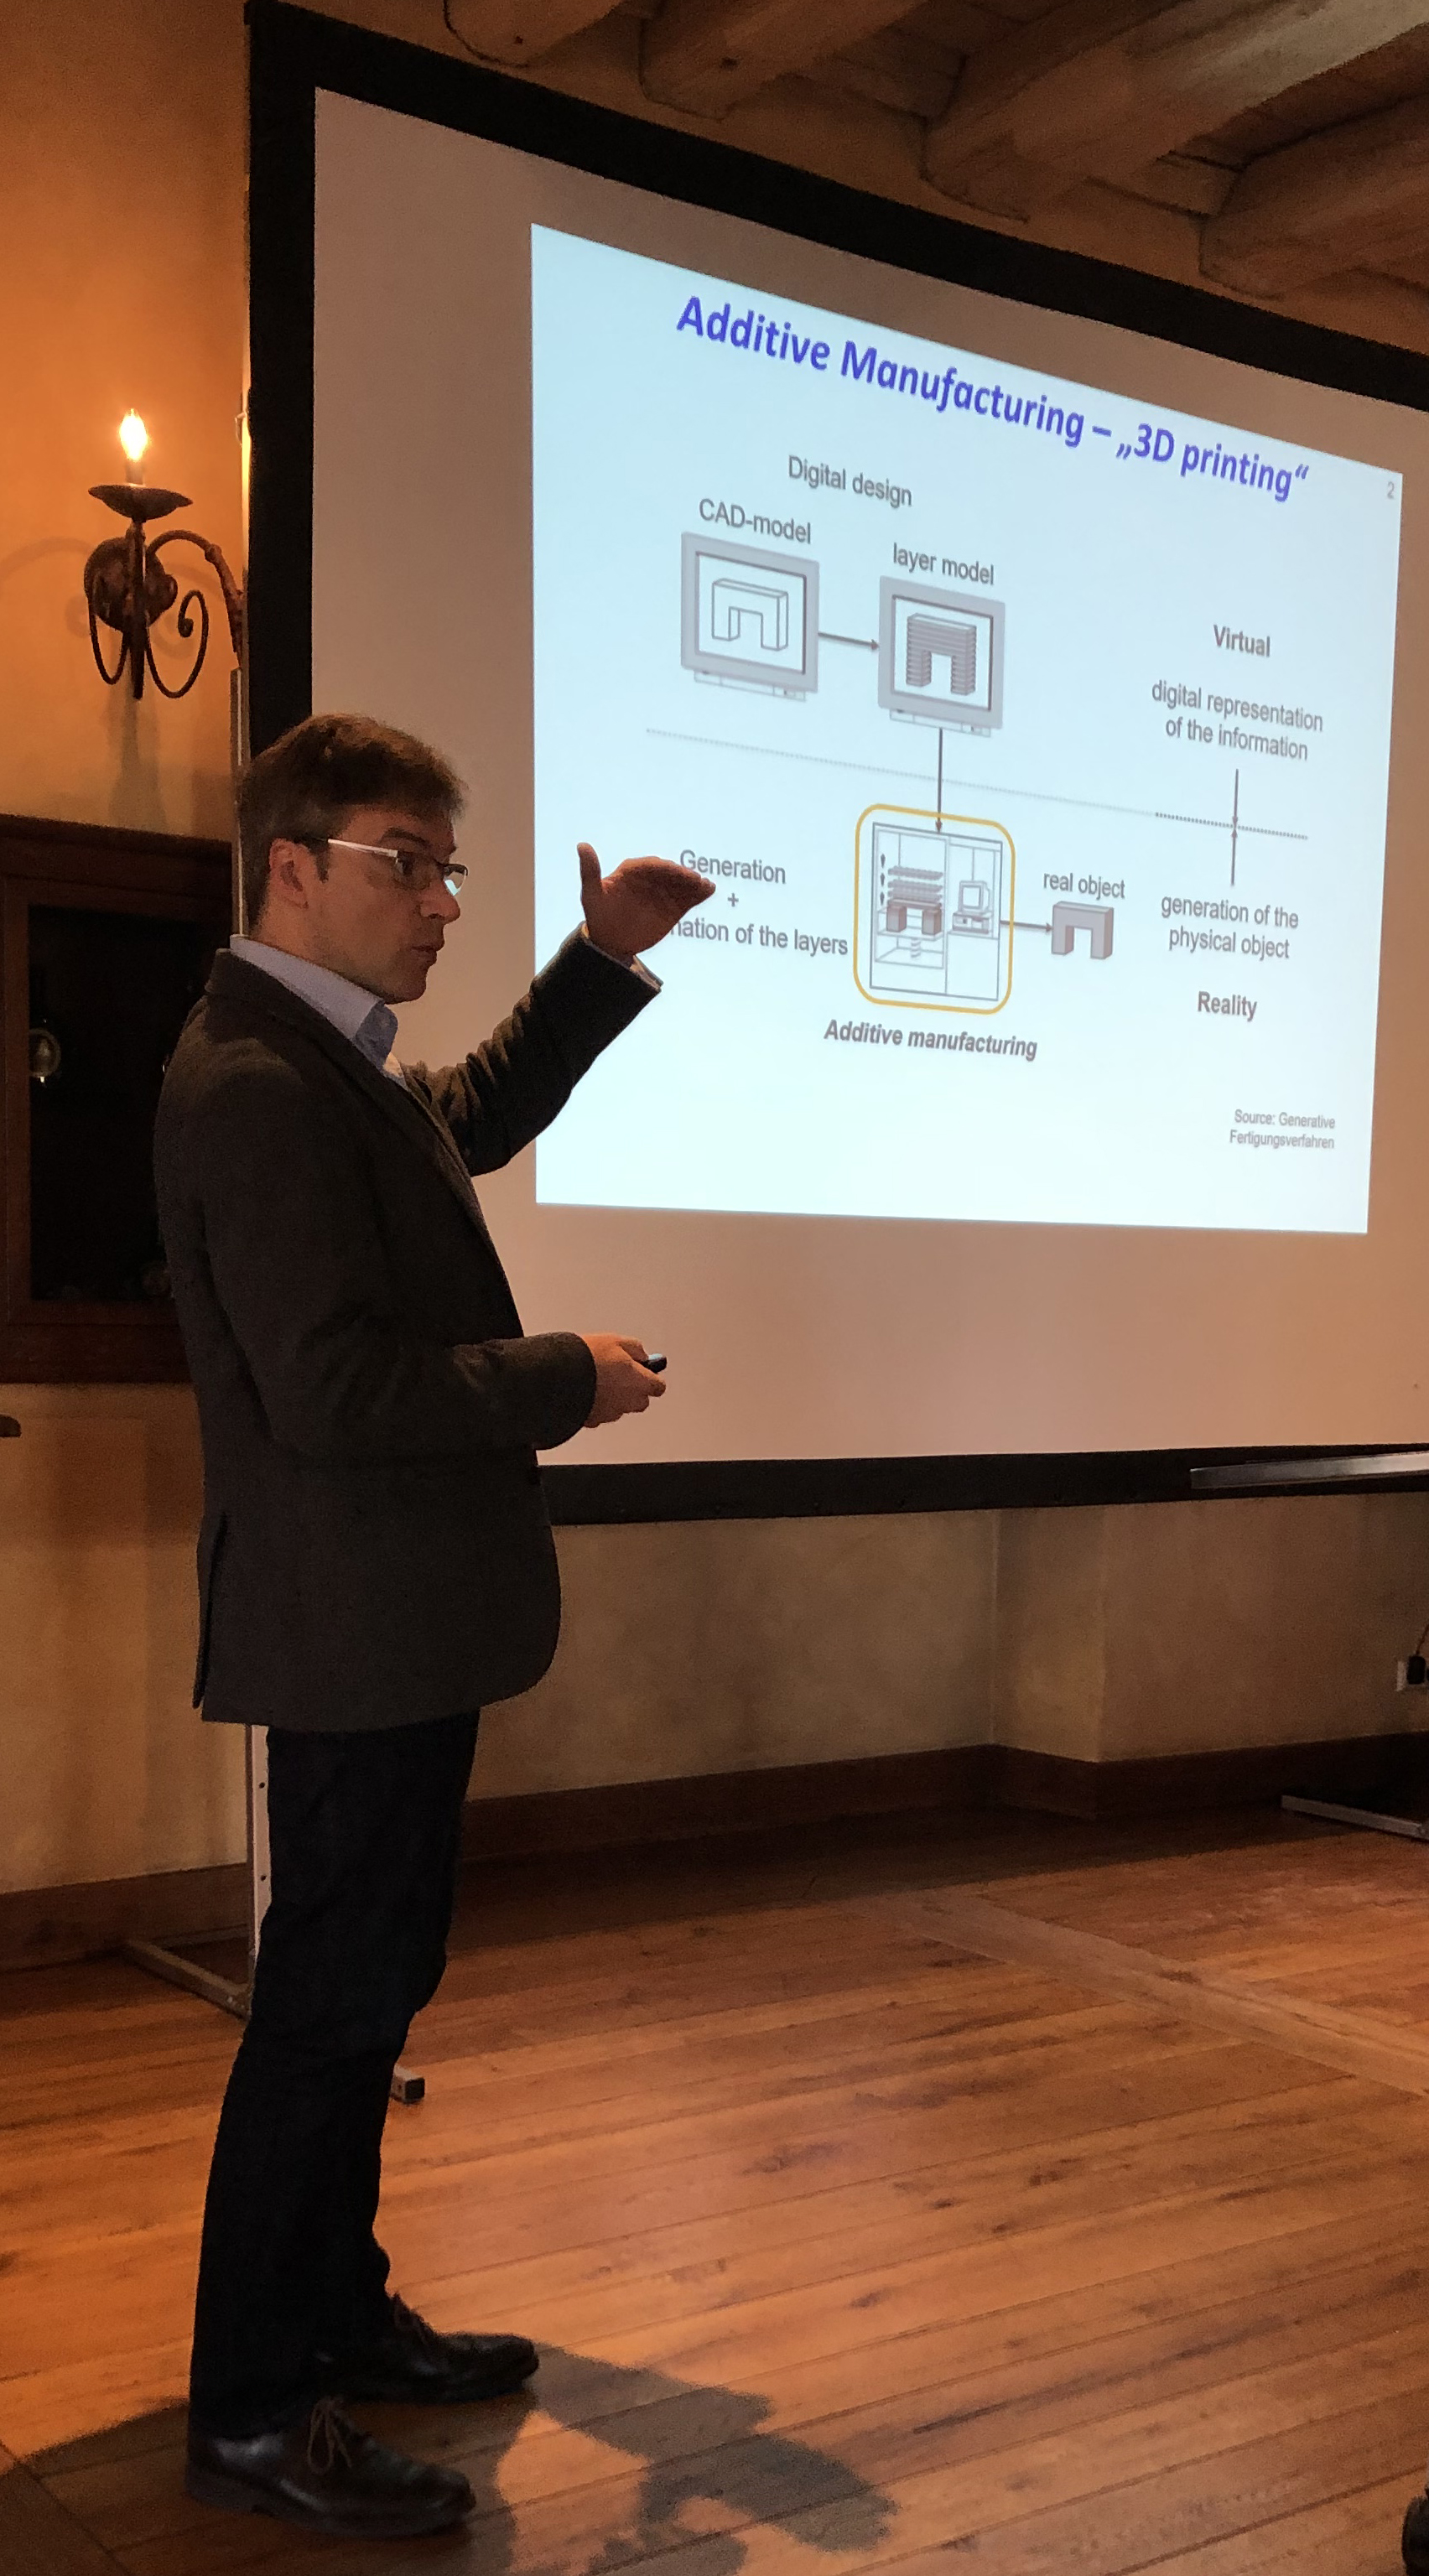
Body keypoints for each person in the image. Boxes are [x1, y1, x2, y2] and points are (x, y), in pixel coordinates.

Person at [154, 712, 710, 2541]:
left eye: (449, 870)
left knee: (369, 1986)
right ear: (291, 868)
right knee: (328, 2012)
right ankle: (254, 2409)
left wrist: (598, 961)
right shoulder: (254, 1084)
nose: (444, 903)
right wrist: (565, 1376)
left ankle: (333, 2313)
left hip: (392, 1624)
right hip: (350, 1628)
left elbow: (460, 1117)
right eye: (409, 864)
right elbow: (332, 1391)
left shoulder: (324, 1064)